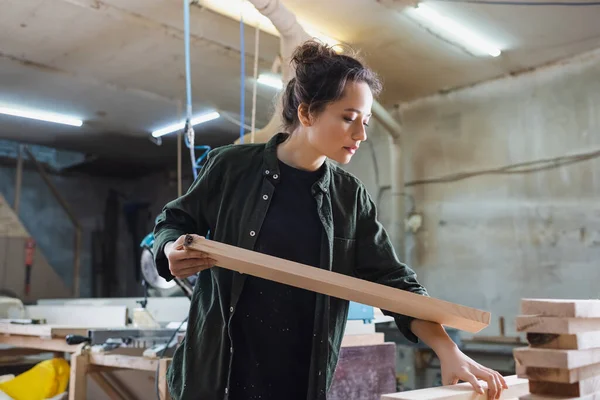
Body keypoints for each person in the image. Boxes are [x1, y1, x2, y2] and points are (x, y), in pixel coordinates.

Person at [153, 40, 507, 400]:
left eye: (365, 121)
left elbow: (394, 284)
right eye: (348, 118)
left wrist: (448, 349)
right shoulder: (231, 167)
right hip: (218, 377)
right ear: (307, 114)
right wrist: (169, 249)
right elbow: (174, 219)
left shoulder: (349, 198)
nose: (361, 135)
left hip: (298, 382)